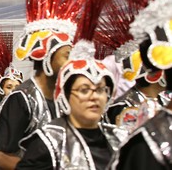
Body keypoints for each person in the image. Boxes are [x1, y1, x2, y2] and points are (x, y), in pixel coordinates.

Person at [0, 0, 78, 170]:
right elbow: (0, 157)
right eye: (66, 55)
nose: (71, 63)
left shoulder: (63, 98)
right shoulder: (21, 99)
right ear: (47, 57)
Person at [17, 41, 125, 169]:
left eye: (100, 89)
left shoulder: (119, 138)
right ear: (66, 95)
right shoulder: (49, 142)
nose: (94, 96)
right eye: (84, 90)